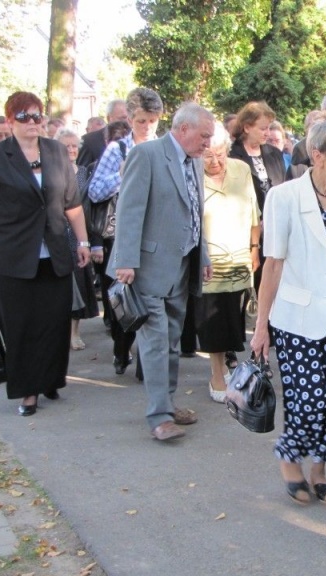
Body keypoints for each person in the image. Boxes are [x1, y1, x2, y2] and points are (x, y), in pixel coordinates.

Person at [250, 119, 326, 506]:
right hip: (297, 320)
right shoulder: (283, 198)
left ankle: (319, 471)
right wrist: (261, 325)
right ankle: (289, 459)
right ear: (318, 154)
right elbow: (274, 265)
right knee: (309, 399)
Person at [0, 91, 91, 416]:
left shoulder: (54, 151)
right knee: (21, 325)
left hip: (54, 254)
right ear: (10, 121)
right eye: (25, 117)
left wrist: (82, 242)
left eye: (38, 116)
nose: (34, 122)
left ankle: (50, 379)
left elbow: (73, 204)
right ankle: (27, 392)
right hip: (10, 257)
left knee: (53, 323)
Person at [111, 101, 215, 441]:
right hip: (148, 267)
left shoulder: (195, 162)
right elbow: (129, 209)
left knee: (170, 341)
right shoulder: (148, 155)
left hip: (182, 267)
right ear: (183, 129)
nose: (208, 144)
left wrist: (204, 257)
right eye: (204, 136)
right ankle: (159, 417)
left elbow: (197, 215)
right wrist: (124, 260)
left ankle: (167, 404)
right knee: (155, 342)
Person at [88, 88, 162, 376]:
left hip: (155, 236)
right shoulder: (116, 150)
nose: (147, 127)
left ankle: (147, 365)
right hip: (119, 236)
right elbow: (94, 192)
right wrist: (121, 175)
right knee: (124, 298)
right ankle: (122, 350)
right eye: (141, 120)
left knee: (153, 304)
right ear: (131, 119)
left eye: (152, 121)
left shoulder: (164, 149)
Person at [197, 123, 260, 402]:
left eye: (220, 154)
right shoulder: (192, 173)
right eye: (208, 155)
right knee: (213, 318)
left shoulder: (241, 169)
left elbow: (253, 212)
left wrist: (255, 248)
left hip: (238, 256)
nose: (215, 161)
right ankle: (216, 374)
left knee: (233, 318)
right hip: (208, 259)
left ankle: (224, 365)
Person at [229, 101, 287, 289]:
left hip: (274, 228)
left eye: (269, 128)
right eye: (263, 128)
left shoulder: (274, 154)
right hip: (245, 232)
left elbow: (282, 188)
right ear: (247, 127)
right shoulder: (232, 154)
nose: (268, 133)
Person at [55, 127, 100, 351]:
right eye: (66, 146)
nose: (71, 149)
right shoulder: (51, 172)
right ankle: (59, 333)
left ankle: (74, 333)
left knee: (80, 285)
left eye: (74, 145)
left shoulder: (84, 172)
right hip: (56, 236)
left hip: (79, 237)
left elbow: (91, 208)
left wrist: (91, 241)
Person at [76, 99, 128, 168]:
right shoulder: (89, 141)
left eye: (128, 118)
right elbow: (82, 172)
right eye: (122, 118)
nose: (127, 122)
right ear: (109, 118)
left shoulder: (135, 138)